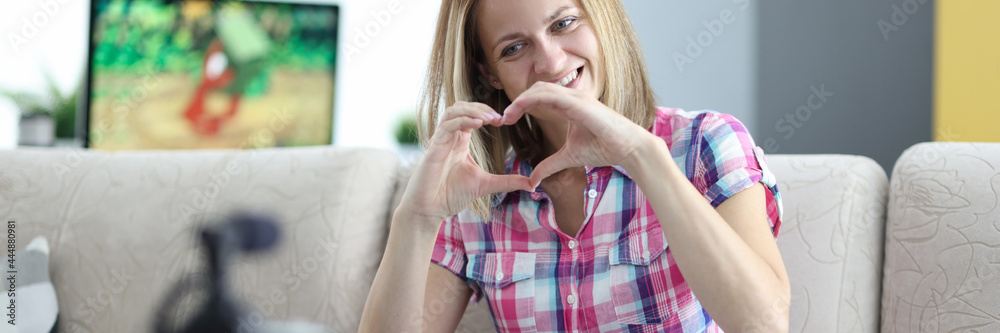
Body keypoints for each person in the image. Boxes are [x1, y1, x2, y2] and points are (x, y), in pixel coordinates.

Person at [360, 0, 790, 332]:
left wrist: (641, 156)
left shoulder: (703, 144)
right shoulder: (476, 196)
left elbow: (764, 323)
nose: (550, 63)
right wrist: (416, 218)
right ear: (490, 74)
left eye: (563, 23)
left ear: (599, 19)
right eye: (514, 48)